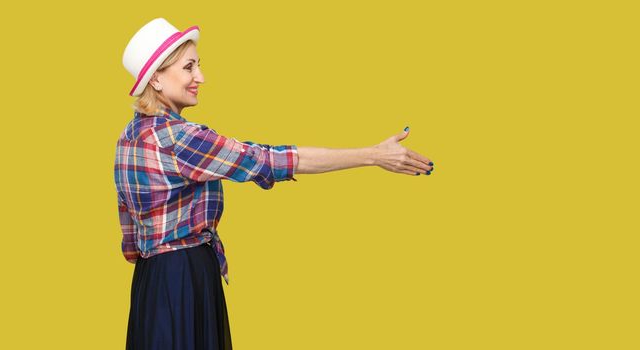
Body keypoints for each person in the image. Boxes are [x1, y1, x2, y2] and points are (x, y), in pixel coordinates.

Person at [117, 18, 434, 350]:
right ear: (155, 78)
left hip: (150, 283)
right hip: (184, 278)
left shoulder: (129, 136)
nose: (201, 77)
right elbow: (270, 160)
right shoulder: (181, 139)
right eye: (189, 67)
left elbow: (130, 238)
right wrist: (373, 155)